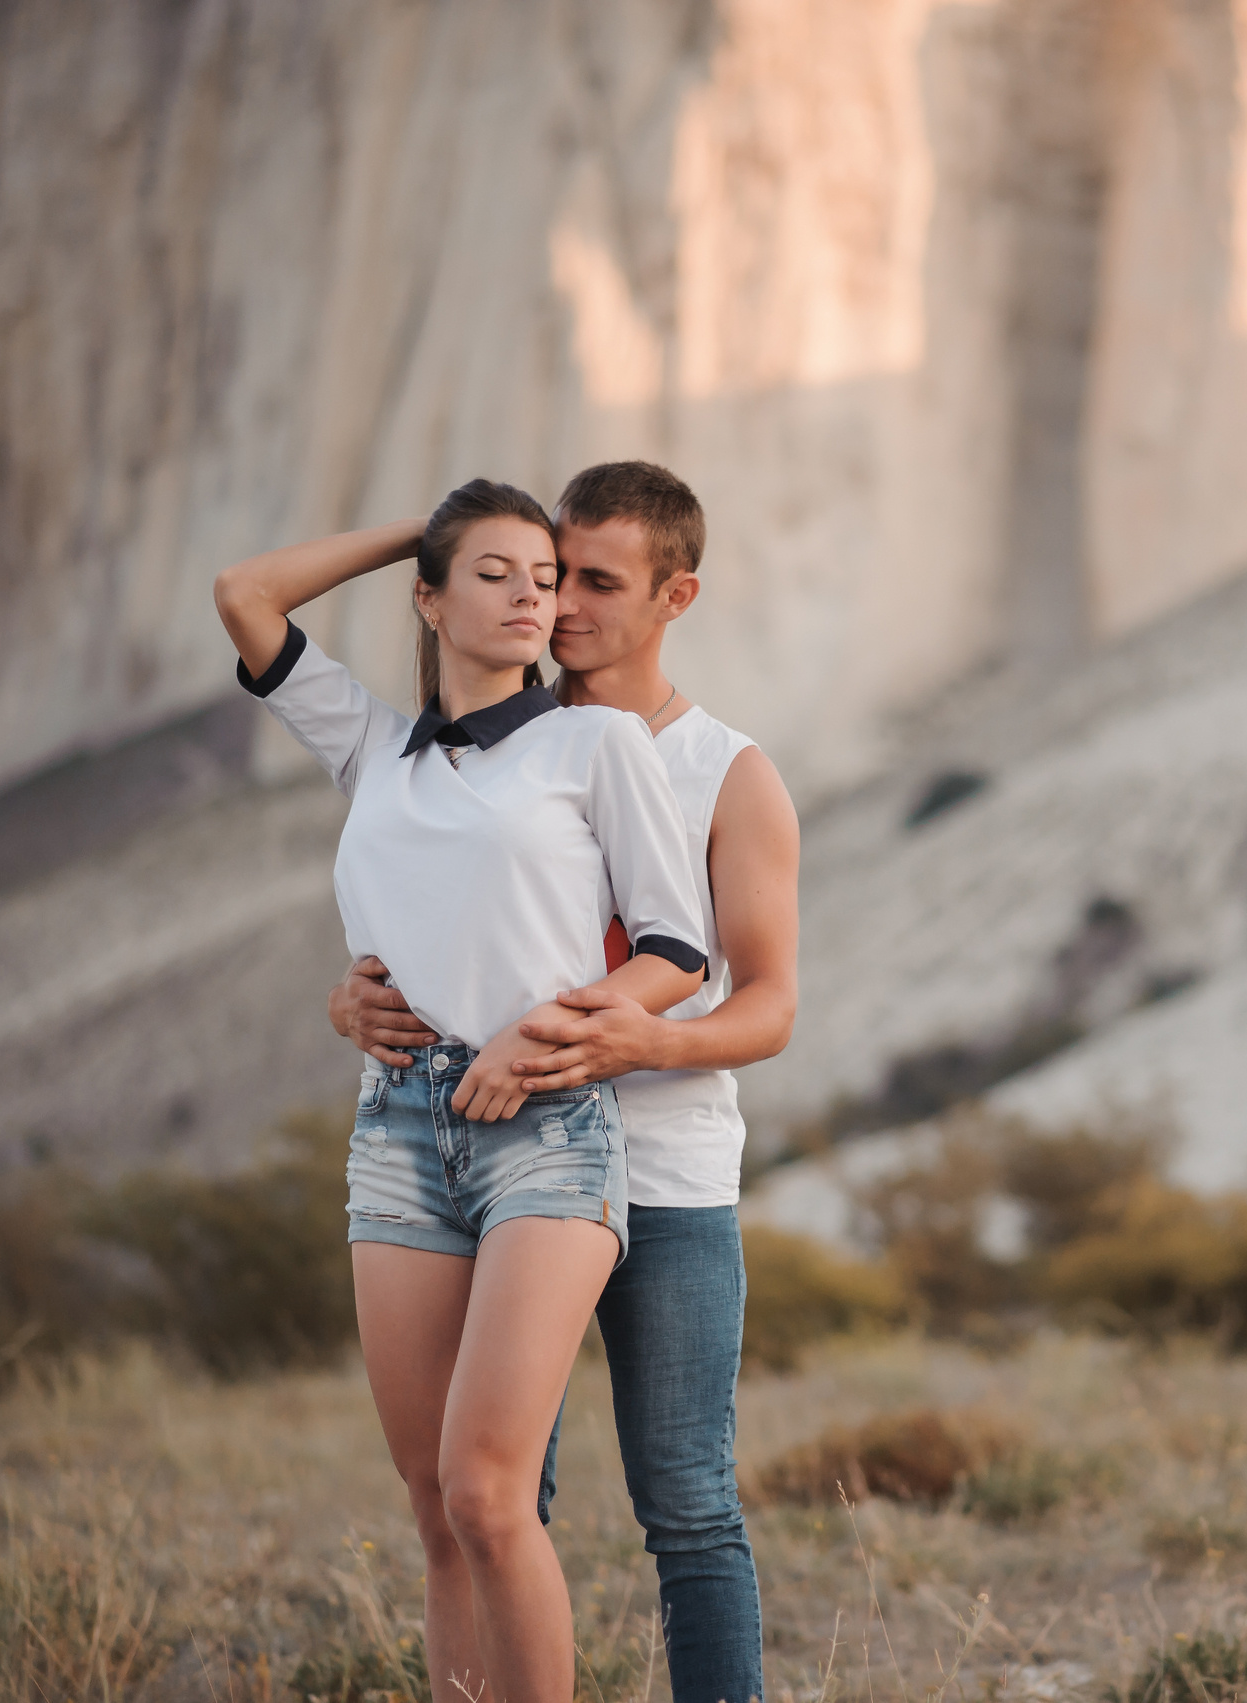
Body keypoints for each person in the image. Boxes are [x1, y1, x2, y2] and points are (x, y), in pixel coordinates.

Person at [215, 479, 711, 1703]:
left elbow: (675, 949)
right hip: (394, 1131)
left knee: (491, 1492)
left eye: (545, 576)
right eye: (495, 573)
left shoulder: (595, 743)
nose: (533, 595)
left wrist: (548, 1030)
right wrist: (417, 528)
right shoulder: (371, 742)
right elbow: (245, 595)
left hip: (545, 1125)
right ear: (427, 599)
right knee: (435, 1503)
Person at [330, 461, 798, 1703]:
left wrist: (633, 1039)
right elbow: (432, 932)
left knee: (687, 1499)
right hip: (484, 1156)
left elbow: (768, 1000)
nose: (563, 605)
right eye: (548, 572)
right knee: (486, 1493)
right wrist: (354, 1001)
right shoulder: (486, 752)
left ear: (673, 594)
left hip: (672, 1173)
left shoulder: (724, 770)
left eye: (593, 580)